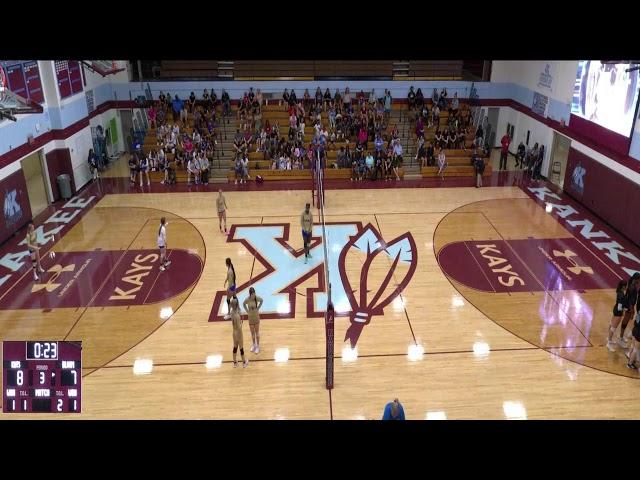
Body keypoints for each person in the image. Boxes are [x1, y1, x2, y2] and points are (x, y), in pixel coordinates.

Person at [607, 280, 629, 351]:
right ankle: (609, 343)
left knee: (612, 324)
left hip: (616, 310)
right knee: (613, 327)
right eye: (626, 286)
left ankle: (609, 339)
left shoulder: (620, 292)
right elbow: (620, 307)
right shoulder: (621, 294)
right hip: (618, 312)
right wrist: (624, 309)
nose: (627, 287)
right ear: (623, 286)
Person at [620, 273, 640, 348]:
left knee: (627, 320)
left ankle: (624, 335)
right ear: (637, 279)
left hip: (628, 304)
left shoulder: (632, 282)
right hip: (629, 305)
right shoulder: (632, 288)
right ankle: (621, 337)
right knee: (626, 320)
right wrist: (632, 311)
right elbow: (632, 300)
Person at [243, 287, 264, 354]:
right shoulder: (247, 299)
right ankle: (254, 345)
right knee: (252, 333)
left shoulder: (256, 298)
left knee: (257, 332)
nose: (253, 295)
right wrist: (247, 311)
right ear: (250, 294)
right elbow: (243, 304)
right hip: (250, 317)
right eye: (252, 294)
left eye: (254, 294)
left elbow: (262, 300)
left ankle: (258, 346)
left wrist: (258, 308)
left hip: (256, 317)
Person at [230, 296, 249, 368]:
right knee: (241, 347)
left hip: (234, 332)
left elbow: (237, 309)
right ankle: (244, 362)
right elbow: (239, 326)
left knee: (235, 347)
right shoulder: (237, 316)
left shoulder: (232, 312)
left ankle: (235, 362)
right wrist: (241, 323)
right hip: (238, 332)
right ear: (236, 305)